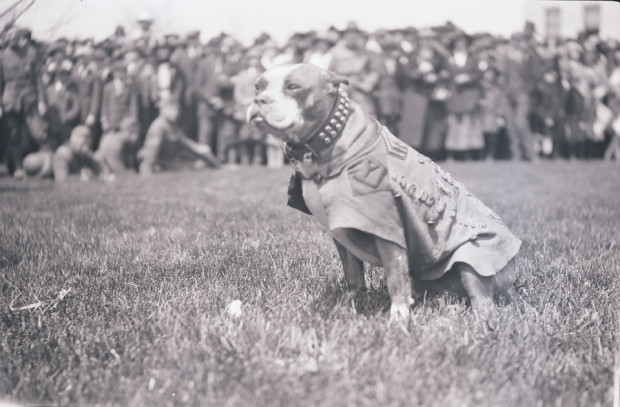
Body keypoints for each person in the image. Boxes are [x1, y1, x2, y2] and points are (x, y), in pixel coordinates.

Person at [0, 27, 47, 178]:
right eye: (23, 39)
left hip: (29, 100)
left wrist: (41, 101)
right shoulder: (2, 57)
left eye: (26, 39)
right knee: (13, 134)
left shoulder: (31, 57)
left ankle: (47, 163)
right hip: (11, 101)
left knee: (38, 132)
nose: (25, 43)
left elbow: (38, 81)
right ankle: (17, 167)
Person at [137, 101, 220, 175]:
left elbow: (184, 141)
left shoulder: (172, 125)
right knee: (199, 165)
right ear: (163, 110)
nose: (176, 113)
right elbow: (151, 153)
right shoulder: (159, 127)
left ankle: (220, 167)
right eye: (172, 110)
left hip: (173, 161)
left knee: (203, 156)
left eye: (177, 110)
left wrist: (198, 148)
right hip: (164, 164)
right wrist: (147, 172)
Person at [444, 32, 485, 160]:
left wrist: (468, 78)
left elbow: (478, 74)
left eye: (463, 42)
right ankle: (452, 152)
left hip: (469, 94)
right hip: (454, 93)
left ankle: (468, 152)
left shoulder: (473, 58)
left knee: (469, 123)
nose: (460, 45)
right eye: (457, 42)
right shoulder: (448, 58)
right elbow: (444, 73)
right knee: (453, 123)